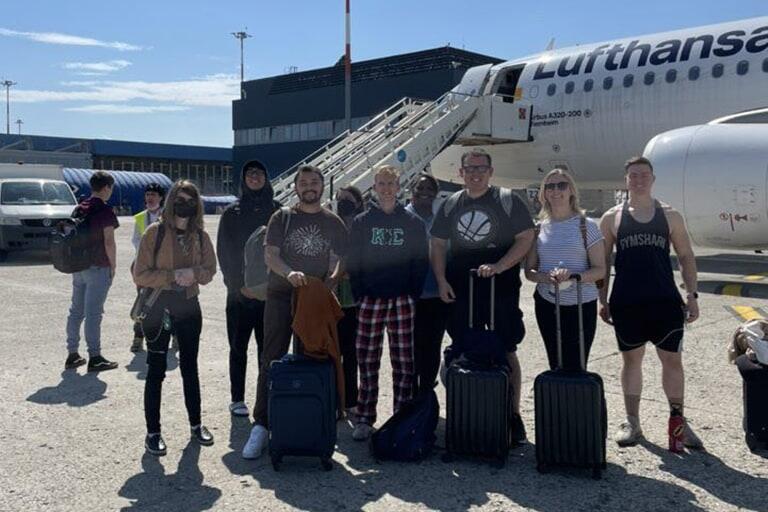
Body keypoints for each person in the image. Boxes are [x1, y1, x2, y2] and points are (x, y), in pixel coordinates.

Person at [242, 165, 347, 459]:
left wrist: (331, 281)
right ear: (296, 187)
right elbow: (271, 256)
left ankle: (307, 417)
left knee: (312, 357)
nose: (309, 187)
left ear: (322, 186)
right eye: (303, 183)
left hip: (312, 299)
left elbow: (342, 257)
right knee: (271, 357)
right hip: (281, 295)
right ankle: (261, 424)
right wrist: (289, 273)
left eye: (314, 182)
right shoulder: (282, 217)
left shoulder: (333, 221)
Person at [430, 148, 535, 444]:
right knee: (463, 348)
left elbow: (526, 238)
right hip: (461, 289)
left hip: (500, 291)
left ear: (490, 171)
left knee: (507, 348)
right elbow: (437, 244)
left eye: (481, 168)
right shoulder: (451, 204)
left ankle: (512, 415)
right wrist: (441, 280)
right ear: (461, 172)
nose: (475, 173)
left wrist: (500, 266)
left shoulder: (508, 200)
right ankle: (469, 412)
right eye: (470, 168)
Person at [599, 156, 702, 451]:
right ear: (626, 180)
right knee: (631, 361)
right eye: (633, 175)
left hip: (664, 301)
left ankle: (678, 423)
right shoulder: (612, 217)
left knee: (672, 361)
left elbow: (686, 256)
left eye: (644, 175)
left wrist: (692, 295)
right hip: (627, 302)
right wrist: (603, 298)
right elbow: (603, 261)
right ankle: (632, 421)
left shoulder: (670, 215)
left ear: (653, 179)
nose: (638, 180)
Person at [133, 180, 217, 456]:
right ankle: (153, 432)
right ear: (170, 202)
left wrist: (194, 274)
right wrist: (171, 277)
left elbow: (210, 269)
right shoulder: (154, 233)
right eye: (179, 200)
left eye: (190, 200)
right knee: (156, 369)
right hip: (159, 305)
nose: (185, 205)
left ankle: (196, 424)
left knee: (190, 367)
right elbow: (140, 274)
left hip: (189, 305)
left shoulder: (200, 236)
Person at [346, 165, 428, 441]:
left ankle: (400, 417)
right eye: (381, 183)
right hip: (371, 299)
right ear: (374, 187)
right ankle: (365, 418)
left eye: (391, 183)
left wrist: (412, 293)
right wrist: (360, 294)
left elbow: (420, 260)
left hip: (402, 298)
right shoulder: (362, 222)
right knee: (367, 360)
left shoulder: (413, 222)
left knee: (403, 362)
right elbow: (354, 260)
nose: (386, 188)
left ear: (399, 186)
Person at [524, 169, 606, 371]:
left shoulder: (587, 226)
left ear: (571, 191)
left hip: (581, 305)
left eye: (561, 185)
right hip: (547, 305)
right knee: (555, 362)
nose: (556, 191)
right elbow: (529, 272)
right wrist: (547, 278)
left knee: (577, 364)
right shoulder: (539, 228)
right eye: (550, 186)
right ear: (544, 193)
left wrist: (574, 276)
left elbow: (600, 270)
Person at [217, 160, 280, 418]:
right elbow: (224, 252)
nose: (255, 177)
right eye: (250, 173)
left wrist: (272, 286)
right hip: (240, 295)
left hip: (271, 294)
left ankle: (266, 397)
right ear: (243, 179)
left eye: (259, 173)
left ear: (266, 177)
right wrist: (238, 287)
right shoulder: (232, 213)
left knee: (268, 350)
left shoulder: (277, 211)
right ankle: (237, 398)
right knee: (238, 347)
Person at [64, 170, 120, 372]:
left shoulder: (80, 208)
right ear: (106, 188)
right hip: (98, 266)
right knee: (93, 313)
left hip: (78, 266)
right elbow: (109, 242)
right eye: (110, 188)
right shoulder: (104, 210)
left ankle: (72, 354)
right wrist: (113, 265)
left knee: (76, 311)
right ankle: (95, 357)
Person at [405, 173, 448, 395]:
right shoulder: (402, 217)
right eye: (420, 188)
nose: (425, 192)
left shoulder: (441, 219)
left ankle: (426, 393)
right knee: (411, 347)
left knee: (433, 345)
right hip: (410, 296)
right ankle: (411, 393)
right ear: (411, 191)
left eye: (430, 189)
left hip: (436, 294)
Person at [334, 185, 366, 419]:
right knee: (332, 352)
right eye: (340, 199)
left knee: (352, 352)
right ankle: (334, 399)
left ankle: (351, 399)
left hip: (355, 300)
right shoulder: (331, 224)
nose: (343, 203)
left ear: (358, 203)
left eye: (348, 199)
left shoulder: (362, 226)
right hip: (333, 297)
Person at [130, 182, 166, 353]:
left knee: (168, 302)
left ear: (161, 198)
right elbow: (136, 240)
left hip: (163, 266)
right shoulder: (140, 218)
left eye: (153, 195)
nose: (150, 198)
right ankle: (138, 337)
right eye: (147, 194)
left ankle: (173, 335)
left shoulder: (168, 216)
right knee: (143, 300)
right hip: (144, 266)